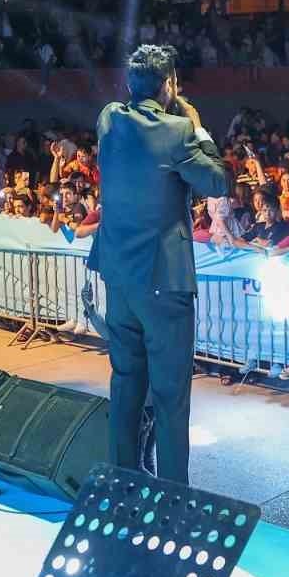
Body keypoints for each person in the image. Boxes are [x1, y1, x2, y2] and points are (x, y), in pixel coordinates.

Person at [87, 45, 229, 487]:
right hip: (163, 282)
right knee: (170, 397)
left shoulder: (109, 119)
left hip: (119, 280)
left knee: (126, 384)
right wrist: (199, 127)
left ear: (130, 84)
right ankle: (172, 496)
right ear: (169, 85)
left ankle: (123, 483)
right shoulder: (180, 130)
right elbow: (217, 180)